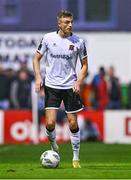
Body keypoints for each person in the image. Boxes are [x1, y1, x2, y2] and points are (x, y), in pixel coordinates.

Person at [33, 10, 88, 168]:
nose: (70, 25)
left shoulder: (79, 42)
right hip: (52, 86)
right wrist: (38, 77)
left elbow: (85, 66)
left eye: (71, 22)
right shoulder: (48, 38)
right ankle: (54, 145)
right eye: (66, 22)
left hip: (70, 86)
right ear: (59, 24)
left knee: (72, 123)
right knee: (50, 123)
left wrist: (79, 81)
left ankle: (75, 158)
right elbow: (36, 59)